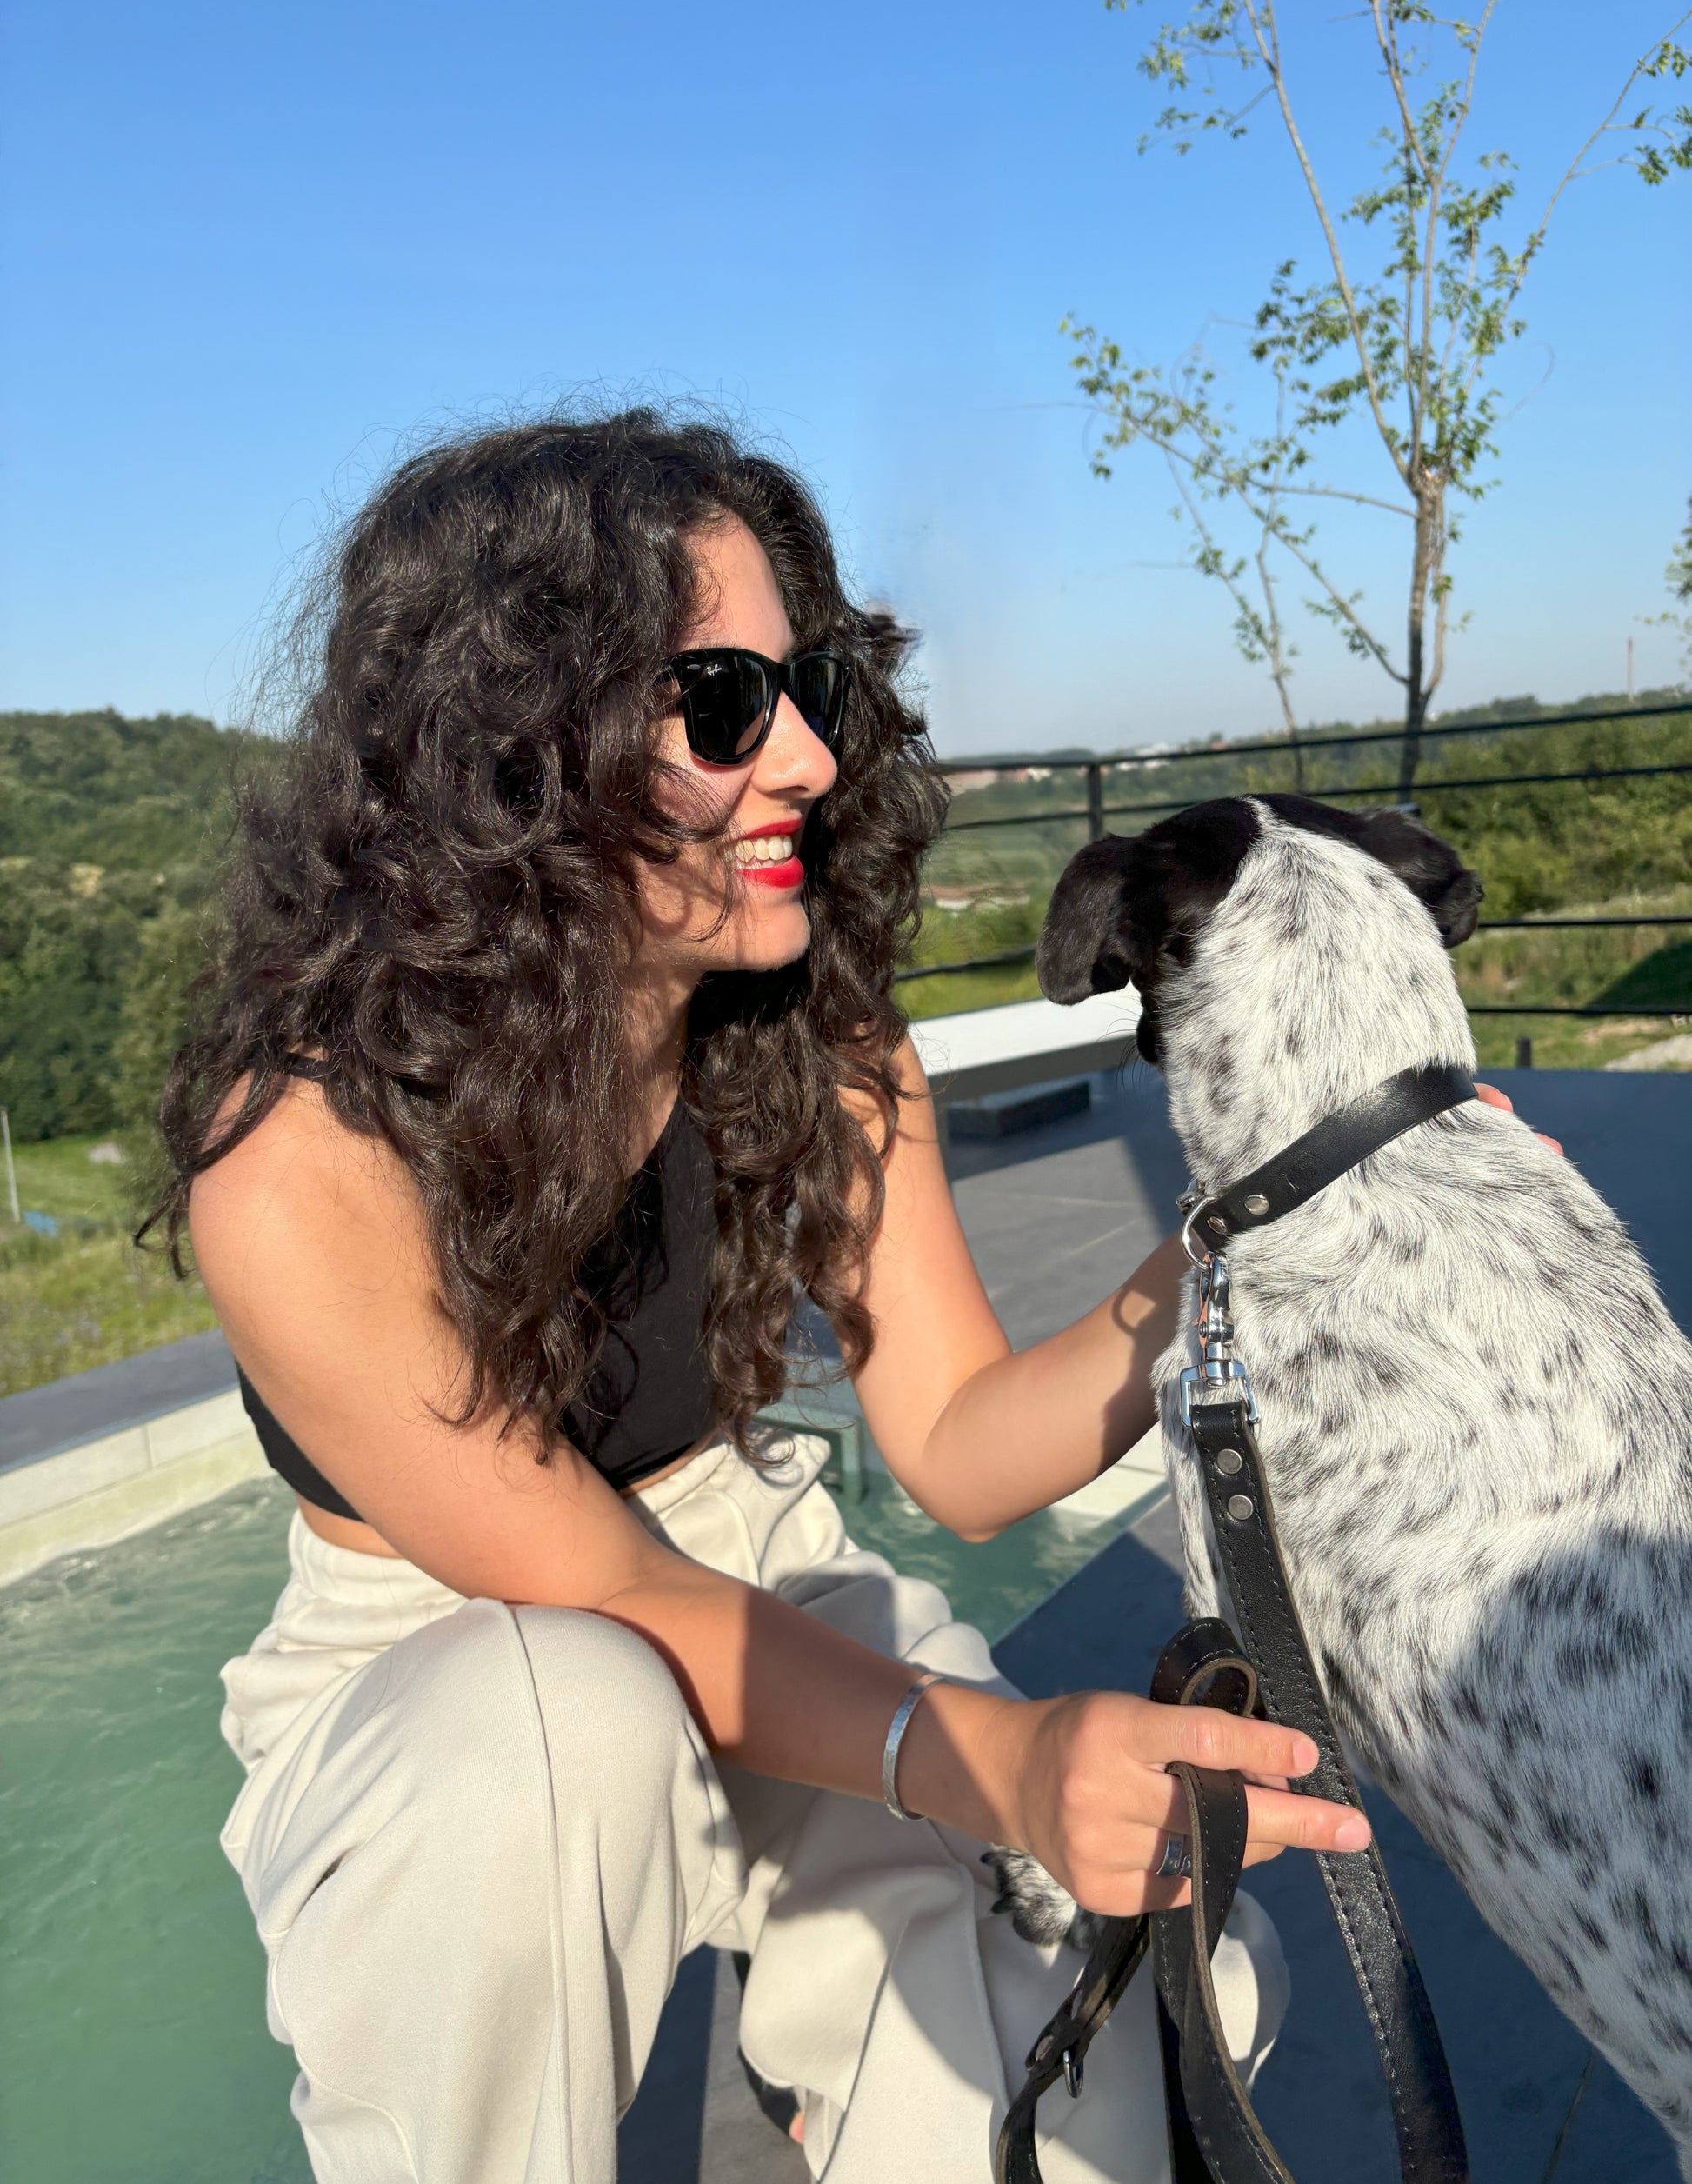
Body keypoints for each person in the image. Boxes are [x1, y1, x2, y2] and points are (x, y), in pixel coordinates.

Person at [161, 410, 1374, 2184]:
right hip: (433, 1657)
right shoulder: (298, 1160)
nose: (804, 753)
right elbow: (601, 1593)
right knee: (538, 1740)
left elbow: (956, 1442)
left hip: (762, 1571)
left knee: (1077, 2050)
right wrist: (1001, 1754)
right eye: (724, 704)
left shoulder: (819, 1049)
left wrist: (1219, 1254)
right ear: (512, 754)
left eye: (806, 689)